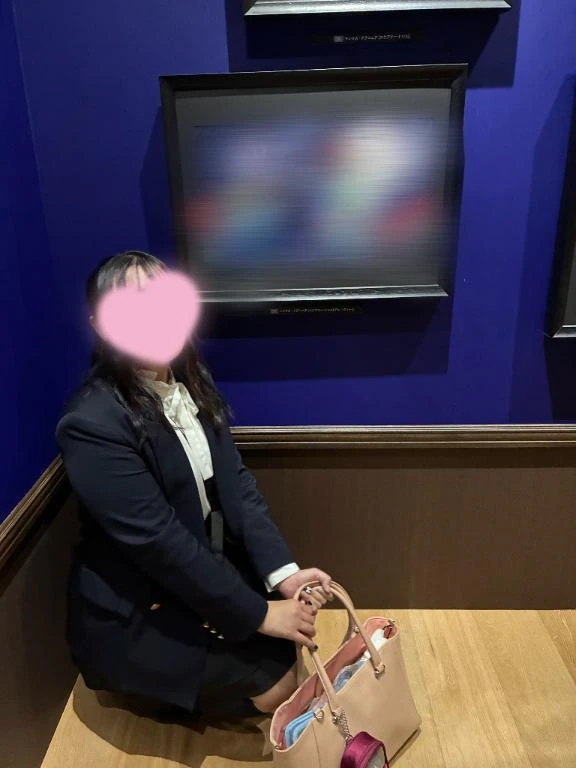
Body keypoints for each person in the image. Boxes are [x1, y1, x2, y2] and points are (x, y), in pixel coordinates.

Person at [56, 250, 332, 721]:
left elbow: (237, 484)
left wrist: (283, 573)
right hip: (133, 608)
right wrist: (261, 614)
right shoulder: (90, 422)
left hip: (195, 574)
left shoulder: (191, 381)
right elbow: (159, 541)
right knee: (280, 685)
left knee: (290, 652)